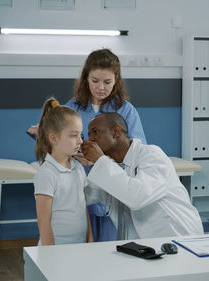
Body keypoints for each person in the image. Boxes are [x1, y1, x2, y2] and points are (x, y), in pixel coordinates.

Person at [29, 48, 147, 242]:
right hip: (78, 195)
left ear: (116, 80)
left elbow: (135, 153)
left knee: (111, 254)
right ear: (85, 78)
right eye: (95, 81)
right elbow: (57, 142)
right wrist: (72, 152)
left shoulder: (126, 110)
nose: (101, 87)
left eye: (107, 82)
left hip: (113, 194)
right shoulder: (72, 107)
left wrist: (100, 158)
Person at [81, 113, 203, 239]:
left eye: (95, 132)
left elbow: (137, 197)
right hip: (147, 246)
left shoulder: (151, 155)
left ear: (116, 132)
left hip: (180, 237)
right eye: (88, 135)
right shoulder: (111, 167)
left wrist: (100, 160)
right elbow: (86, 196)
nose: (91, 139)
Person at [33, 98, 93, 245]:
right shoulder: (47, 173)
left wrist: (90, 240)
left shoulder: (78, 167)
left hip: (78, 247)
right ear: (53, 138)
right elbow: (43, 220)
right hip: (56, 249)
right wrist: (50, 254)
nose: (80, 141)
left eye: (81, 135)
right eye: (74, 135)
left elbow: (83, 206)